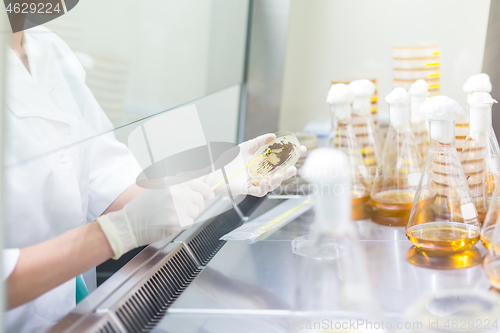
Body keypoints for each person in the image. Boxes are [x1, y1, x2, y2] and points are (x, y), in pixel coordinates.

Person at [4, 25, 303, 333]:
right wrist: (115, 233)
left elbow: (105, 181)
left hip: (72, 316)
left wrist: (215, 177)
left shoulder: (46, 47)